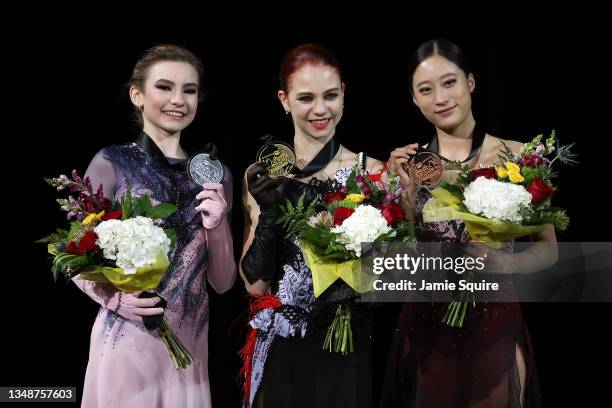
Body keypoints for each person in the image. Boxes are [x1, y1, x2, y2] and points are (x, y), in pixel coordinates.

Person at [382, 39, 558, 407]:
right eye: (426, 90)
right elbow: (399, 265)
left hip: (493, 318)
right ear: (414, 99)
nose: (440, 98)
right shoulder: (409, 169)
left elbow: (549, 250)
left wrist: (507, 262)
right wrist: (405, 204)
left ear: (471, 82)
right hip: (426, 322)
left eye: (449, 82)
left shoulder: (518, 156)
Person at [72, 44, 236, 408]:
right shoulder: (109, 163)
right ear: (137, 95)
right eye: (164, 87)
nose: (178, 99)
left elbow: (223, 284)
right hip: (125, 339)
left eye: (189, 90)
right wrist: (115, 298)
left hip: (191, 343)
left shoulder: (216, 173)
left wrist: (218, 224)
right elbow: (74, 257)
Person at [239, 43, 383, 408]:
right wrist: (270, 213)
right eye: (305, 98)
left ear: (344, 94)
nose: (321, 109)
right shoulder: (263, 176)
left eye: (330, 96)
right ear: (284, 100)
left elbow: (392, 276)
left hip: (346, 341)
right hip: (283, 343)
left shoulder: (373, 174)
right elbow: (255, 285)